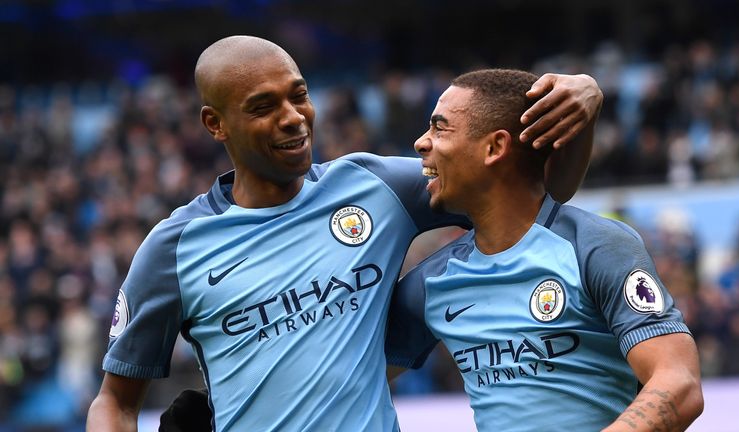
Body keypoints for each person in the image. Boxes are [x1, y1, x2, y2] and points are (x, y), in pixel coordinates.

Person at [86, 35, 603, 432]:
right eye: (264, 107)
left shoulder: (375, 186)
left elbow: (536, 197)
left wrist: (585, 95)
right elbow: (115, 401)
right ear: (214, 123)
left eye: (299, 96)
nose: (294, 119)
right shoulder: (174, 248)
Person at [385, 69, 704, 431]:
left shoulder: (596, 245)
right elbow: (348, 375)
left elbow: (679, 384)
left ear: (495, 148)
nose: (421, 143)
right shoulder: (433, 282)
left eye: (440, 128)